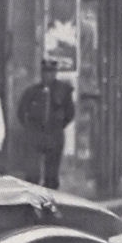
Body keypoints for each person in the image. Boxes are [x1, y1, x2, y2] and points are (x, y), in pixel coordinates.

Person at [16, 59, 75, 189]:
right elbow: (21, 112)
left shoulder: (64, 90)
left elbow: (70, 113)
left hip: (54, 135)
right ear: (41, 74)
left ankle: (50, 202)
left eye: (51, 72)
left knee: (52, 175)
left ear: (55, 73)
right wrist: (30, 128)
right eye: (45, 72)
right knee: (32, 174)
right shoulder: (31, 91)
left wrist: (58, 126)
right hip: (35, 135)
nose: (48, 75)